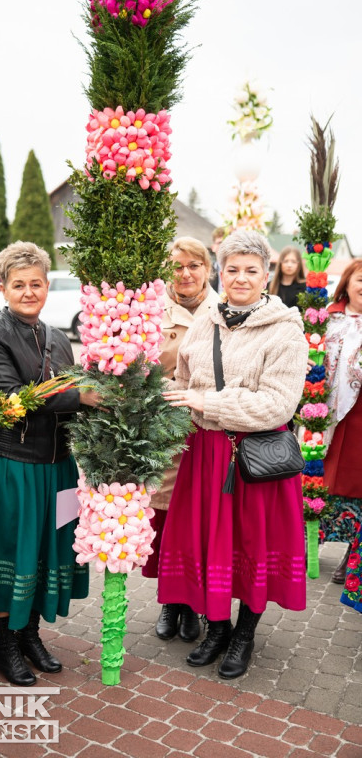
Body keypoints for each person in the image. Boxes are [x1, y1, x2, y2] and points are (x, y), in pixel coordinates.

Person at [159, 230, 308, 679]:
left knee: (251, 546)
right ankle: (217, 629)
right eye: (232, 269)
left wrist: (211, 404)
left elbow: (278, 405)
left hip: (255, 460)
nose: (240, 278)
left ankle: (244, 634)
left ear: (266, 274)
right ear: (220, 272)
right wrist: (153, 388)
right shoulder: (205, 323)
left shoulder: (286, 331)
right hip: (205, 455)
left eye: (251, 270)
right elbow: (186, 383)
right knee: (210, 545)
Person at [0, 241, 100, 686]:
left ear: (47, 286)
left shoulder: (59, 337)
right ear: (3, 288)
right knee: (12, 552)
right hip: (13, 463)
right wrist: (79, 397)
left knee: (48, 550)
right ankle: (3, 644)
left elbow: (77, 393)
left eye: (37, 283)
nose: (29, 291)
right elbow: (10, 400)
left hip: (59, 467)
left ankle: (30, 636)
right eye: (19, 284)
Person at [141, 236, 220, 643]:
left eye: (194, 265)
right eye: (178, 266)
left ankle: (194, 604)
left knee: (203, 522)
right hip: (165, 433)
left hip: (210, 431)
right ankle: (170, 602)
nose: (186, 274)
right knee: (167, 520)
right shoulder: (153, 311)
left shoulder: (224, 311)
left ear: (208, 269)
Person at [318, 259, 362, 584]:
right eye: (360, 279)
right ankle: (316, 545)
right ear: (347, 282)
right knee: (330, 482)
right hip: (330, 412)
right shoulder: (328, 317)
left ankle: (353, 557)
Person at [209, 226, 225, 293]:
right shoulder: (207, 272)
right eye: (220, 243)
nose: (223, 246)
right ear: (213, 247)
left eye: (226, 242)